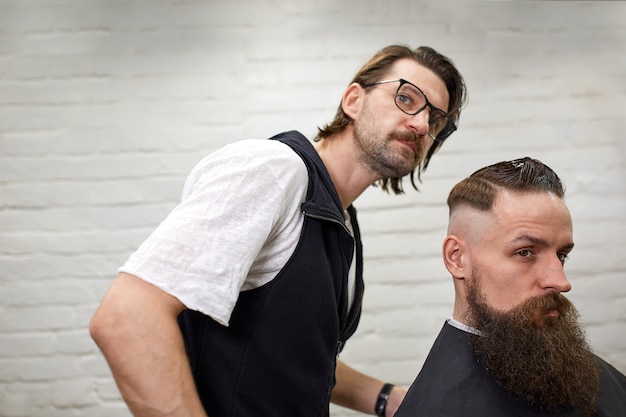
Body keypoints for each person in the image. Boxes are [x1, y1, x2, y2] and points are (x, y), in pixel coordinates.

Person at [89, 44, 467, 417]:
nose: (420, 124)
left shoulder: (341, 219)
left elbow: (292, 361)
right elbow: (128, 316)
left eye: (435, 120)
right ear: (354, 100)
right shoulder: (274, 170)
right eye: (406, 98)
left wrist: (386, 398)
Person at [395, 157, 626, 417]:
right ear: (457, 258)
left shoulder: (573, 367)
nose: (561, 282)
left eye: (561, 255)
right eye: (525, 252)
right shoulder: (436, 407)